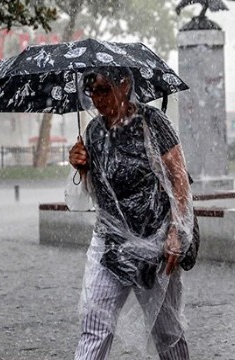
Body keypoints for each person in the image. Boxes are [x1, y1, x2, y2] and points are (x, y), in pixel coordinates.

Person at [68, 67, 194, 360]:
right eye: (91, 92)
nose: (96, 100)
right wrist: (81, 166)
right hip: (109, 244)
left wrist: (177, 230)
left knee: (167, 333)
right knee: (94, 325)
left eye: (103, 90)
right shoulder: (93, 132)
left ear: (124, 85)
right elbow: (96, 191)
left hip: (155, 244)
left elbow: (178, 178)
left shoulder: (153, 123)